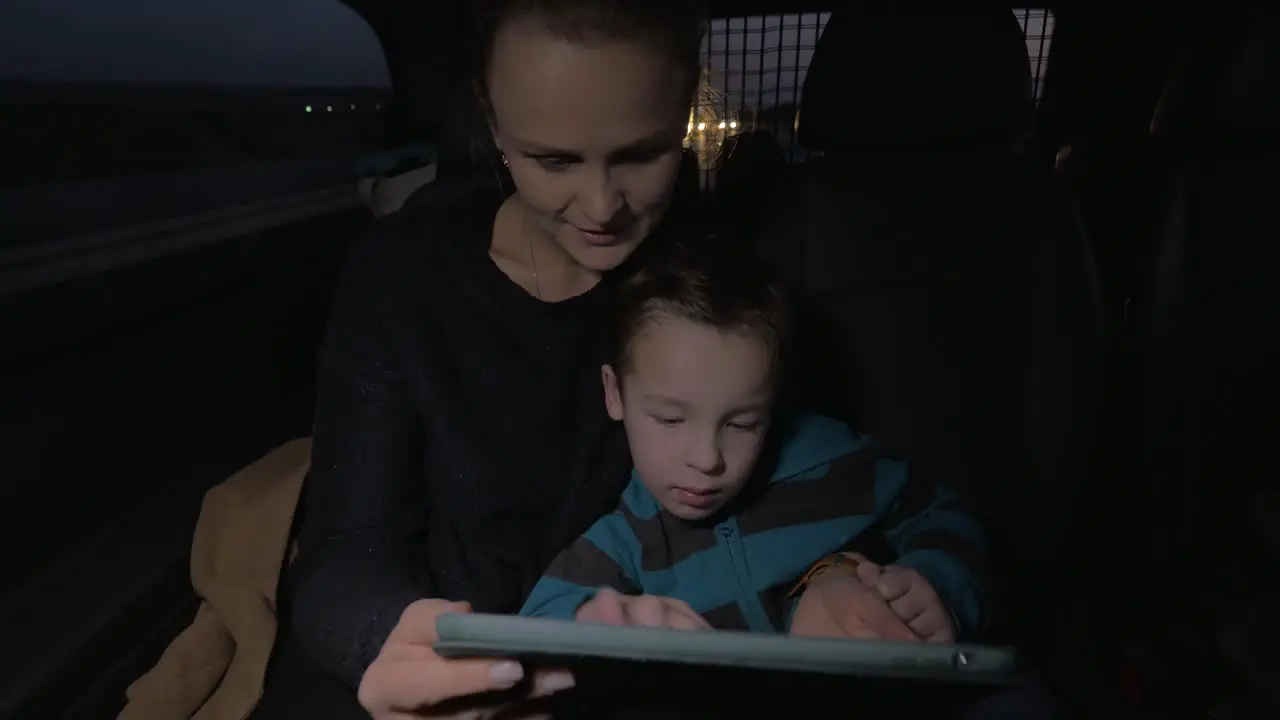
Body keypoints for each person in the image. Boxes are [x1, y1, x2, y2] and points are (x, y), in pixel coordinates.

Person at [249, 0, 1058, 717]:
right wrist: (394, 639)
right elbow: (345, 554)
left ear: (686, 112)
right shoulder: (403, 277)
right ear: (493, 124)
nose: (602, 209)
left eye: (643, 154)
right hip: (488, 664)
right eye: (552, 160)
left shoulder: (727, 271)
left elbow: (806, 486)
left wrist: (834, 577)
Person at [520, 242, 985, 645]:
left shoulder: (834, 460)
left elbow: (945, 517)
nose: (707, 460)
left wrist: (938, 585)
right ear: (614, 394)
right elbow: (535, 623)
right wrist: (605, 621)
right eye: (669, 418)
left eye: (743, 423)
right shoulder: (629, 539)